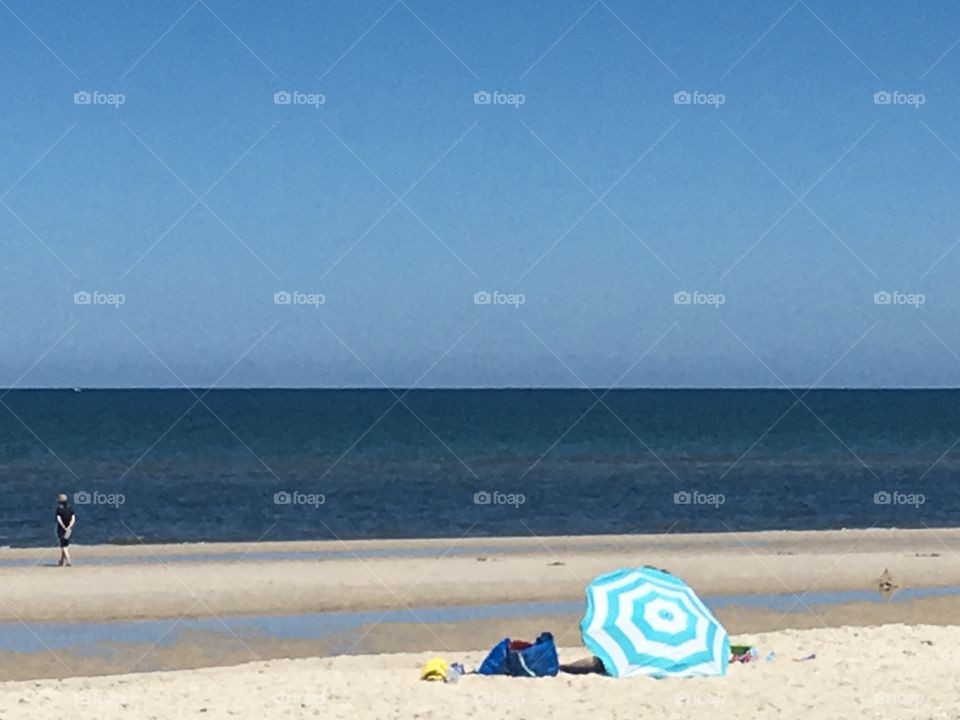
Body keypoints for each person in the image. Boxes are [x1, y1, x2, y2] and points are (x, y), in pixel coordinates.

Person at [55, 494, 75, 567]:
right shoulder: (70, 509)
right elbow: (73, 519)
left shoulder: (59, 510)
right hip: (69, 529)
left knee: (63, 545)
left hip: (61, 529)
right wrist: (69, 527)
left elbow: (59, 520)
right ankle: (61, 561)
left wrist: (63, 527)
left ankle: (68, 560)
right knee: (65, 544)